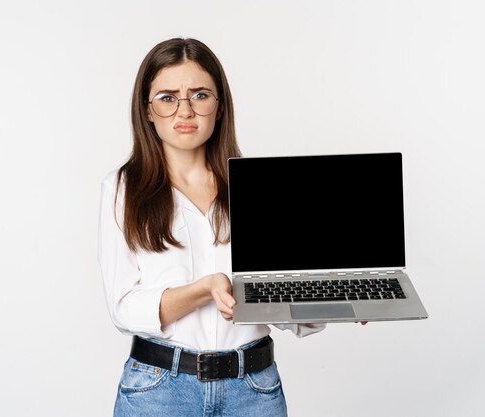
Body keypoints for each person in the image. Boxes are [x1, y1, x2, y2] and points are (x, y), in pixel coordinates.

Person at [98, 37, 326, 417]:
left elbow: (282, 301)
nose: (184, 111)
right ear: (147, 111)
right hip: (158, 391)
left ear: (219, 107)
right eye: (167, 97)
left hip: (253, 389)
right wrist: (204, 289)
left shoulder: (258, 190)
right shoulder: (122, 189)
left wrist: (331, 301)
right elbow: (124, 308)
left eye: (200, 95)